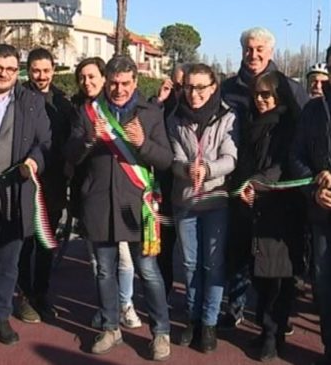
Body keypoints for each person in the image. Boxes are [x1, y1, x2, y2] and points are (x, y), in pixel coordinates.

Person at [65, 55, 173, 361]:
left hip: (137, 205)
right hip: (99, 202)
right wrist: (89, 139)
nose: (119, 89)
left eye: (126, 83)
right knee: (104, 271)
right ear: (106, 81)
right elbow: (69, 154)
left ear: (135, 82)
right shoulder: (88, 112)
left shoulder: (150, 114)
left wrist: (143, 144)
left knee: (148, 271)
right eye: (113, 83)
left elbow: (166, 160)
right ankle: (111, 327)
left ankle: (161, 332)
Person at [0, 44, 51, 361]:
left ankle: (1, 316)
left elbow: (45, 143)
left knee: (8, 263)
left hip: (15, 194)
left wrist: (34, 162)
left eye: (10, 68)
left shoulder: (31, 102)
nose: (3, 73)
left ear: (19, 72)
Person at [220, 26, 309, 329]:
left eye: (260, 49)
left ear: (271, 51)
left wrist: (266, 182)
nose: (253, 54)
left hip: (275, 190)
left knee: (272, 262)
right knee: (236, 254)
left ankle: (274, 320)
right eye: (248, 48)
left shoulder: (290, 87)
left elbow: (298, 139)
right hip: (238, 186)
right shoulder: (228, 88)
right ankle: (234, 309)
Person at [169, 63, 238, 352]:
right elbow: (174, 159)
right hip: (185, 200)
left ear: (213, 88)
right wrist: (187, 168)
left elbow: (231, 157)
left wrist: (208, 169)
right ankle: (193, 317)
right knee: (189, 264)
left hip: (216, 200)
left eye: (200, 87)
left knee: (212, 264)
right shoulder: (174, 117)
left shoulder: (228, 117)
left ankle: (209, 322)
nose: (194, 93)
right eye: (189, 87)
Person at [71, 57, 142, 329]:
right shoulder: (80, 110)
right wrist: (88, 140)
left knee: (125, 256)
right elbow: (71, 151)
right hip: (88, 191)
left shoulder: (122, 107)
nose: (87, 82)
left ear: (105, 78)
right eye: (82, 78)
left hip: (122, 191)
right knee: (98, 260)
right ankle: (106, 308)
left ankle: (125, 304)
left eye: (92, 77)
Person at [239, 71, 303, 361]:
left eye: (267, 94)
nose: (261, 100)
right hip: (256, 207)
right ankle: (264, 329)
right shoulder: (251, 123)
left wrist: (257, 182)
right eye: (257, 94)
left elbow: (284, 164)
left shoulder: (289, 124)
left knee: (279, 276)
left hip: (282, 210)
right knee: (260, 275)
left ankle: (274, 334)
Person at [14, 48, 72, 323]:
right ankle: (23, 295)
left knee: (47, 242)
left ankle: (41, 293)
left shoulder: (63, 101)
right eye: (36, 70)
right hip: (24, 182)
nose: (41, 76)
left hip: (54, 184)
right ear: (29, 70)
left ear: (53, 70)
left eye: (46, 70)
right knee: (24, 242)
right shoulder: (17, 97)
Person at [290, 46, 331, 365]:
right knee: (324, 286)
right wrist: (315, 184)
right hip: (322, 215)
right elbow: (296, 157)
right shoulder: (313, 111)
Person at [150, 63, 189, 297]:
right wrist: (159, 100)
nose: (182, 91)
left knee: (190, 249)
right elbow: (146, 122)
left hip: (189, 185)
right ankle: (163, 291)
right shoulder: (161, 106)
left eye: (185, 86)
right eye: (177, 85)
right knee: (165, 243)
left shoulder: (198, 107)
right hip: (165, 185)